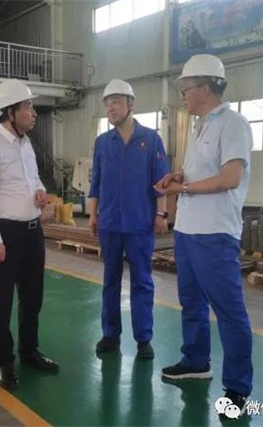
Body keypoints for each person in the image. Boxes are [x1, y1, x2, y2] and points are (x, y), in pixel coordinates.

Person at [154, 54, 253, 416]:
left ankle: (238, 388)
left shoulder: (233, 124)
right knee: (191, 303)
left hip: (215, 235)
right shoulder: (198, 127)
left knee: (229, 311)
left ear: (207, 87)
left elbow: (230, 178)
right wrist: (179, 177)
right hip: (187, 232)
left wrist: (184, 189)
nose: (182, 94)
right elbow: (201, 174)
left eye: (186, 87)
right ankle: (196, 361)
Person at [0, 79, 59, 390]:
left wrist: (40, 192)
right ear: (10, 112)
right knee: (2, 301)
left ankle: (29, 351)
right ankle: (4, 361)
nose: (33, 113)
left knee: (32, 297)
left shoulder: (26, 144)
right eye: (28, 107)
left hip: (33, 233)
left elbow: (33, 179)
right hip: (5, 235)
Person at [88, 79, 170, 359]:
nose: (110, 108)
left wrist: (161, 213)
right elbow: (95, 183)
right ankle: (110, 334)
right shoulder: (102, 143)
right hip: (110, 223)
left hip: (140, 222)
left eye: (116, 102)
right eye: (107, 104)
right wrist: (93, 215)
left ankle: (143, 338)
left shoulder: (151, 139)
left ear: (131, 104)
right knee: (110, 279)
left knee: (142, 280)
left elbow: (161, 182)